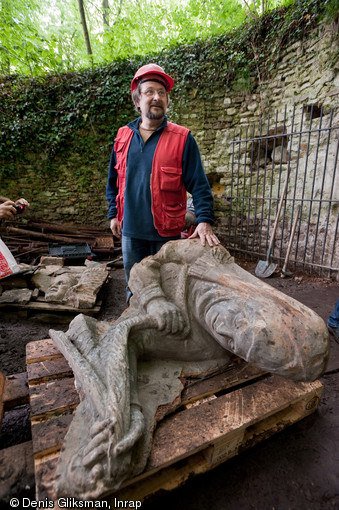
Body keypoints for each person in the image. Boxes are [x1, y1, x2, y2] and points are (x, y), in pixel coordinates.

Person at [50, 239, 329, 499]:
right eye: (247, 326)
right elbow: (142, 269)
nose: (234, 333)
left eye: (254, 351)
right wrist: (155, 299)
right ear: (256, 305)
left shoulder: (209, 344)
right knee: (114, 339)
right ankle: (110, 425)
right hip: (153, 309)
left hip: (181, 344)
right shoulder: (203, 260)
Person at [106, 63, 220, 295]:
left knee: (168, 291)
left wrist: (204, 220)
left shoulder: (182, 138)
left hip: (166, 235)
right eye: (149, 92)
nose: (156, 97)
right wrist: (113, 214)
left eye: (162, 93)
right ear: (137, 100)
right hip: (130, 232)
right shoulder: (122, 137)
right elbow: (113, 180)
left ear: (167, 100)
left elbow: (199, 185)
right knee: (135, 290)